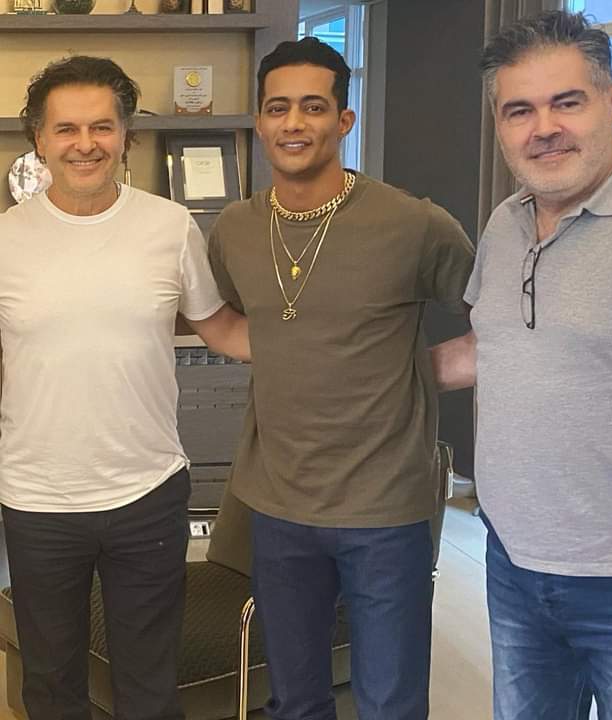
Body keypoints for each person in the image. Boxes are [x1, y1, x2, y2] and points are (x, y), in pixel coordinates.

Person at [432, 10, 612, 720]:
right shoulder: (506, 222)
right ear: (500, 125)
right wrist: (345, 375)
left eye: (567, 102)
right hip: (516, 567)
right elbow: (493, 348)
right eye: (520, 110)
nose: (544, 128)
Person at [209, 36, 474, 720]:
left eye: (313, 106)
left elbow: (504, 324)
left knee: (388, 701)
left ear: (344, 119)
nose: (293, 123)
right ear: (259, 121)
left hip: (385, 507)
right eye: (278, 108)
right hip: (278, 503)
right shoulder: (235, 229)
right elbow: (234, 322)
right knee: (294, 699)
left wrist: (416, 373)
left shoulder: (414, 224)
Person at [0, 55, 249, 720]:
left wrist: (327, 345)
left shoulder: (169, 226)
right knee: (51, 686)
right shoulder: (5, 239)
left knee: (149, 688)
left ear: (125, 136)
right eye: (66, 128)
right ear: (39, 138)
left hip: (147, 492)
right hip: (38, 498)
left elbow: (220, 327)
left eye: (102, 127)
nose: (85, 144)